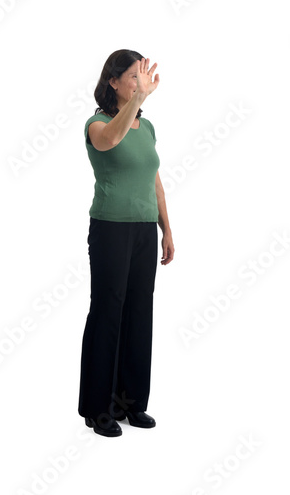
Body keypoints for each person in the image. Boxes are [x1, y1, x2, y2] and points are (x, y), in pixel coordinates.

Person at [78, 49, 174, 437]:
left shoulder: (147, 129)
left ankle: (130, 403)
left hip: (143, 230)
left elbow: (154, 180)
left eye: (141, 76)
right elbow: (108, 142)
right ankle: (97, 409)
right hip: (111, 228)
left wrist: (167, 228)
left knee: (139, 312)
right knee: (107, 313)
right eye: (131, 76)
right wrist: (136, 102)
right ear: (114, 82)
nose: (139, 82)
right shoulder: (96, 123)